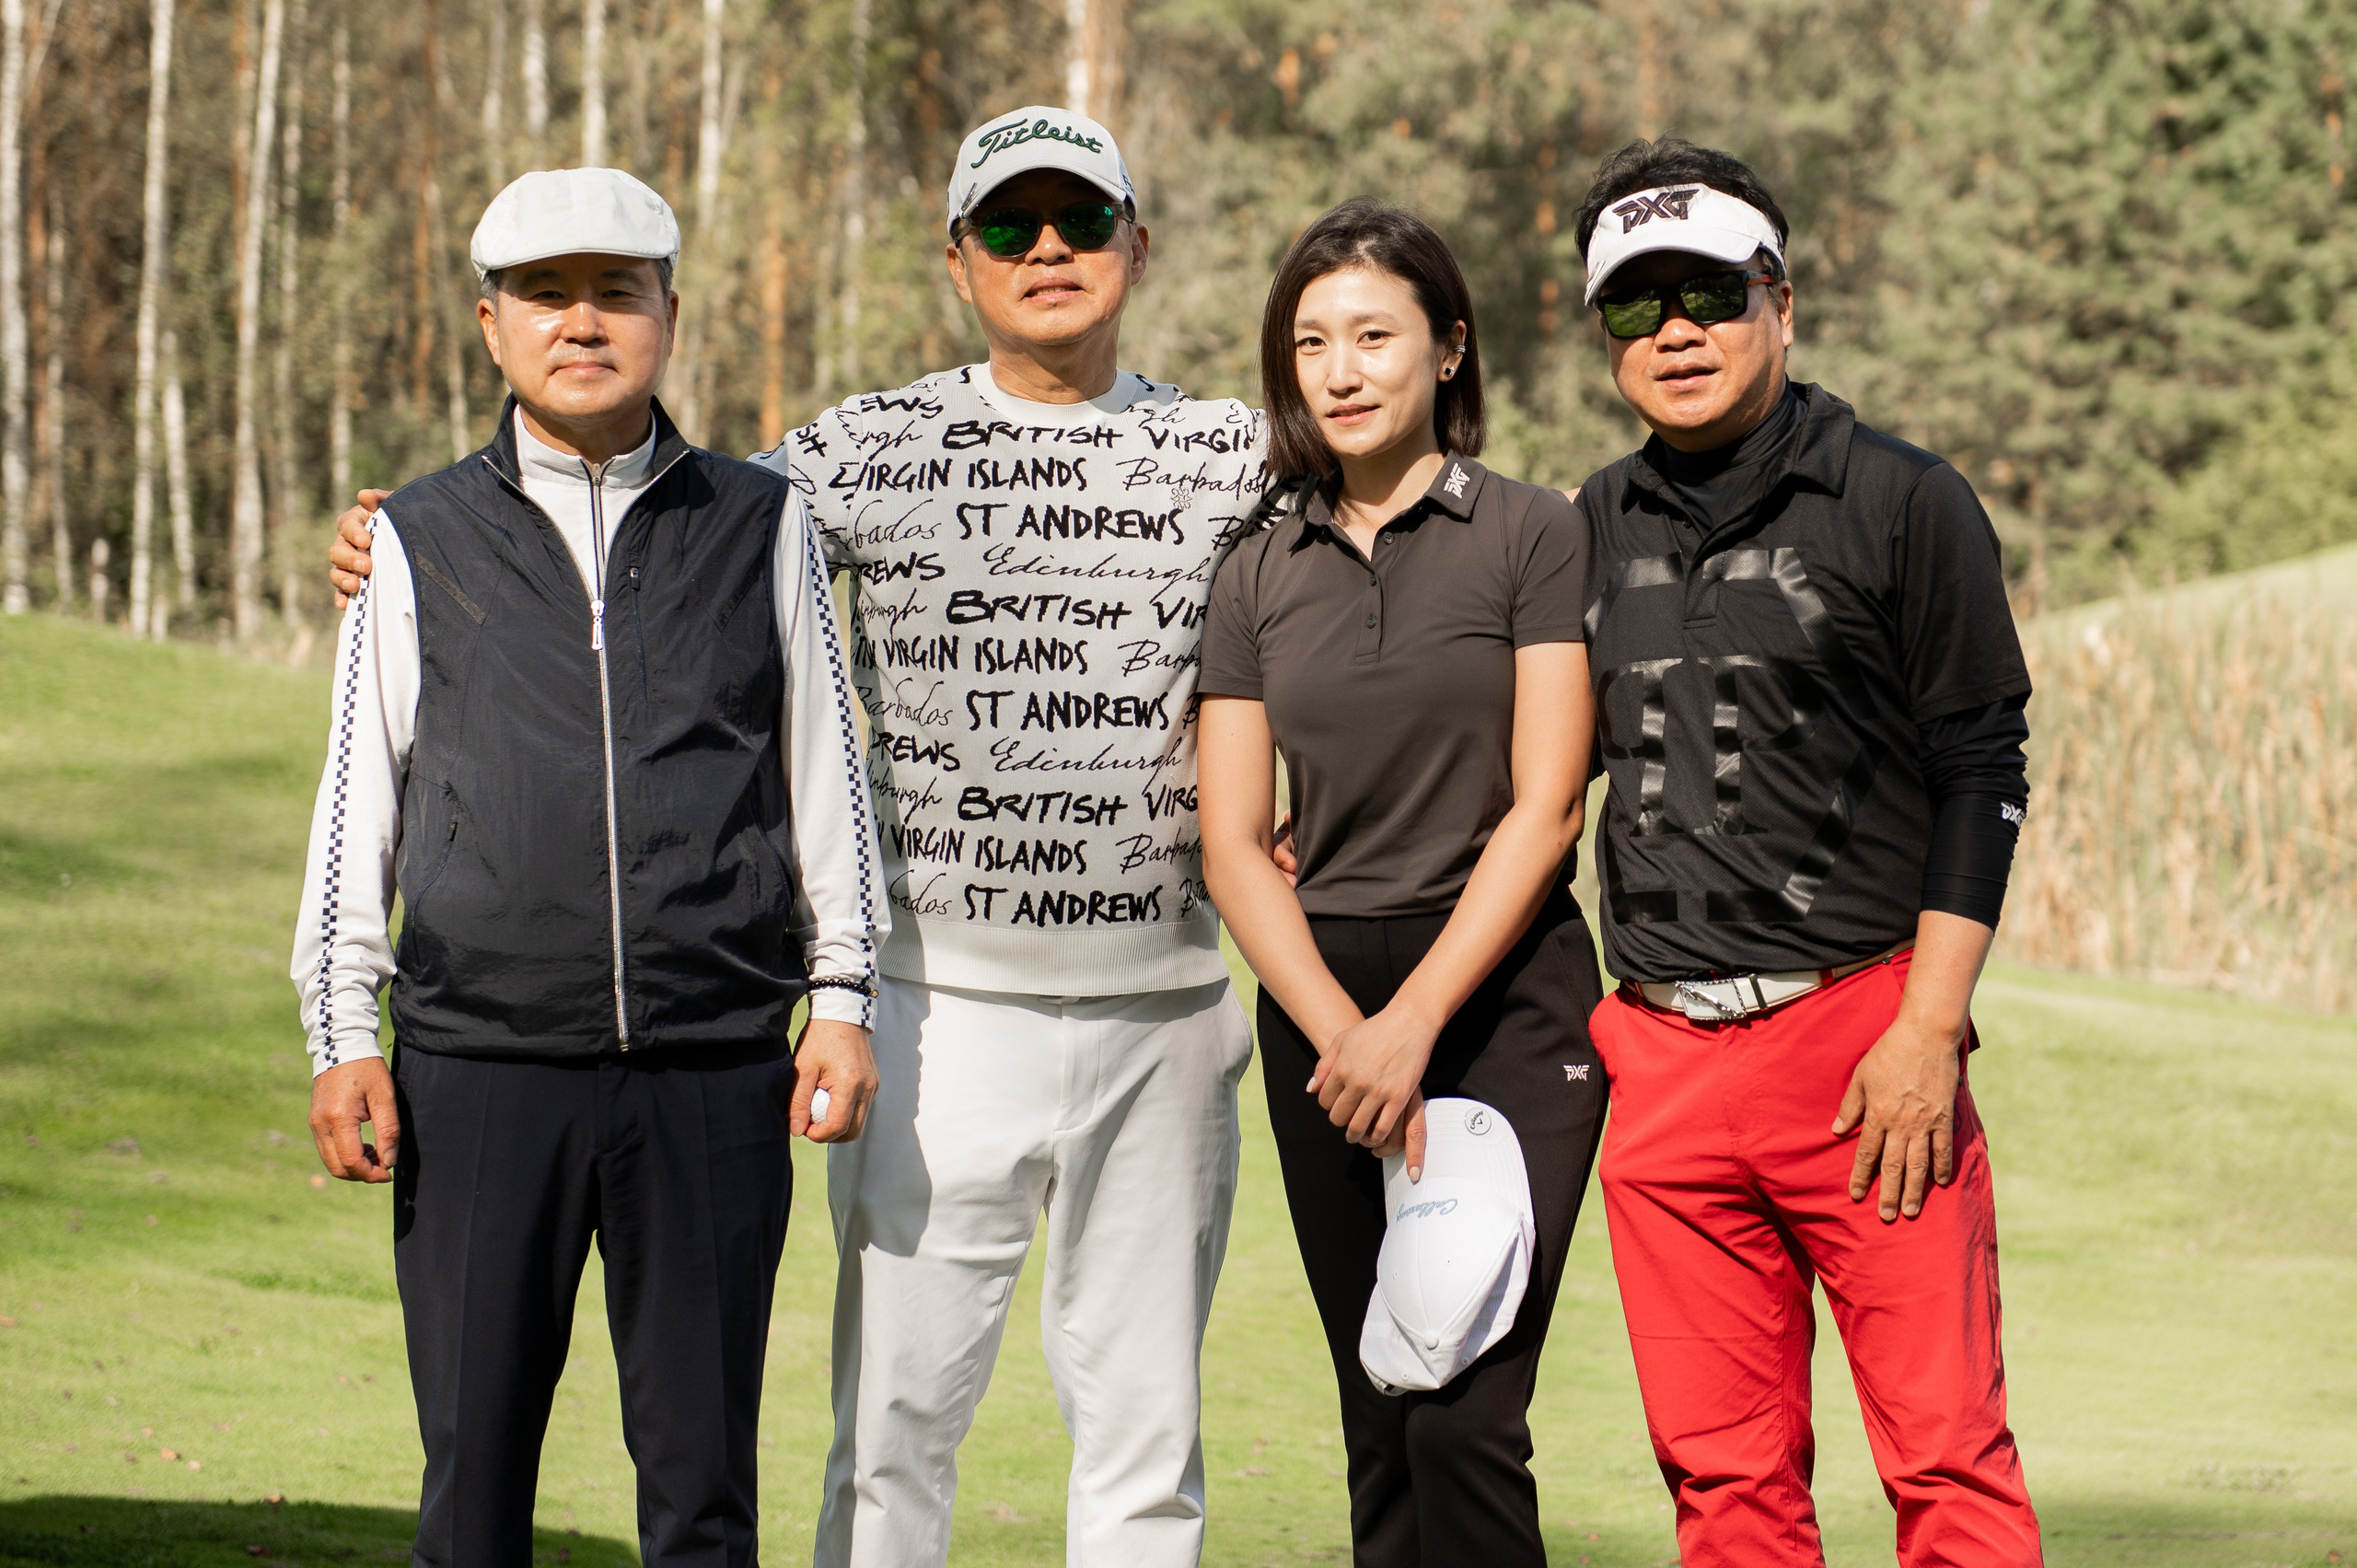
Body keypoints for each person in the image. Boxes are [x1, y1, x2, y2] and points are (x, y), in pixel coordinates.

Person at [329, 109, 1267, 1568]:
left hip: (1053, 1024)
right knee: (827, 1450)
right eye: (1010, 227)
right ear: (960, 261)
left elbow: (1383, 512)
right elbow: (385, 776)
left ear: (1137, 244)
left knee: (1104, 1459)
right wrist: (398, 535)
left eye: (1081, 223)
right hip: (789, 1025)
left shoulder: (1227, 449)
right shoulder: (843, 456)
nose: (1050, 252)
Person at [292, 167, 886, 1568]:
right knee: (474, 1490)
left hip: (711, 1071)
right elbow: (356, 795)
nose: (583, 323)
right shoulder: (416, 539)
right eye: (546, 296)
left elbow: (825, 771)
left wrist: (846, 995)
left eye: (616, 292)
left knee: (700, 1499)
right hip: (477, 1072)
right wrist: (339, 1029)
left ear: (669, 315)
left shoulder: (763, 521)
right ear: (492, 327)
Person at [1565, 137, 2043, 1566]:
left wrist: (1928, 1027)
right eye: (1638, 310)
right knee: (1724, 1489)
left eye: (1709, 293)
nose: (1677, 334)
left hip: (1860, 1044)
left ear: (1784, 301)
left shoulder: (1904, 498)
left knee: (1948, 1465)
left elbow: (1982, 766)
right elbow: (1537, 767)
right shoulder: (1586, 521)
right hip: (1658, 1062)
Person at [1196, 200, 1608, 1568]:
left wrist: (1413, 1026)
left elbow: (1546, 806)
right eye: (1311, 341)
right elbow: (1234, 842)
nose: (1341, 368)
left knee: (1465, 1409)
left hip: (1500, 999)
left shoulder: (1532, 534)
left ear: (1448, 349)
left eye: (1374, 334)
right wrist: (1339, 1030)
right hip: (1323, 1009)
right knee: (1382, 1400)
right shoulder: (1254, 567)